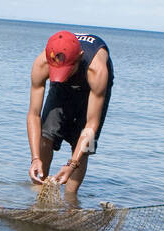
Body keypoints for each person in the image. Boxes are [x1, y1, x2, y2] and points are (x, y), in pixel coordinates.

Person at [27, 30, 114, 194]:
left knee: (83, 146)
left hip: (93, 88)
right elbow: (33, 114)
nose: (64, 76)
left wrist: (72, 164)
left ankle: (70, 199)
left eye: (66, 71)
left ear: (80, 57)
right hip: (61, 85)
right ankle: (40, 194)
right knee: (45, 136)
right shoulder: (42, 64)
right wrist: (35, 158)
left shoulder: (98, 71)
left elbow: (91, 123)